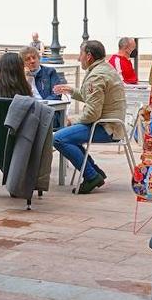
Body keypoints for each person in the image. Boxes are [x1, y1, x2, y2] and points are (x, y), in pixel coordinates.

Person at [51, 40, 127, 194]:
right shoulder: (104, 68)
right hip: (110, 124)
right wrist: (71, 91)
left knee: (58, 138)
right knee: (68, 137)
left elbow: (92, 113)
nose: (79, 58)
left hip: (107, 127)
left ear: (89, 56)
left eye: (81, 54)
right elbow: (92, 98)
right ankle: (95, 172)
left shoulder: (96, 76)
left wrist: (73, 121)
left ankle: (91, 176)